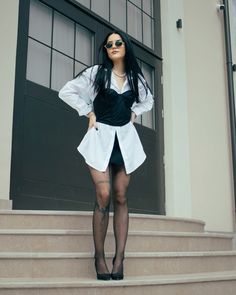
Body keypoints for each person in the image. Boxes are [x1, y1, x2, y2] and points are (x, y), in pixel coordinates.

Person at [58, 30, 154, 281]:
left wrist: (134, 114)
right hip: (100, 138)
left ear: (126, 46)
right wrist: (88, 112)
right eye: (109, 44)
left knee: (121, 195)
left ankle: (119, 257)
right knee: (104, 193)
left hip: (125, 141)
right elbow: (67, 91)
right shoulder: (96, 73)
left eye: (118, 42)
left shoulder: (136, 79)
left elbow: (148, 101)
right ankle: (99, 256)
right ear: (105, 49)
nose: (113, 46)